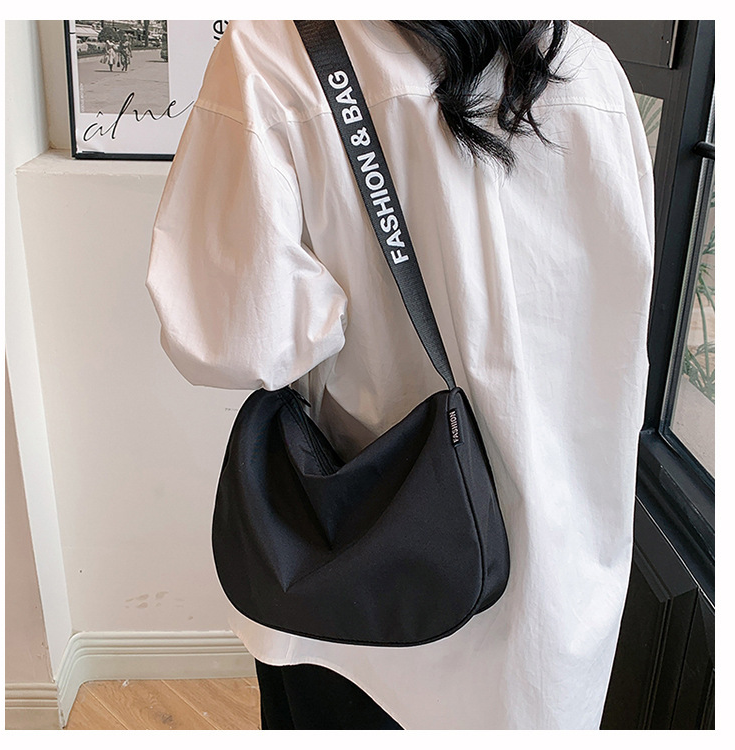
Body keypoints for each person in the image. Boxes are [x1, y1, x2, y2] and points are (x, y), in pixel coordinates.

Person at [146, 20, 654, 729]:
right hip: (557, 597)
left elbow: (235, 336)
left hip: (363, 601)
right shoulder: (589, 68)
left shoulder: (274, 53)